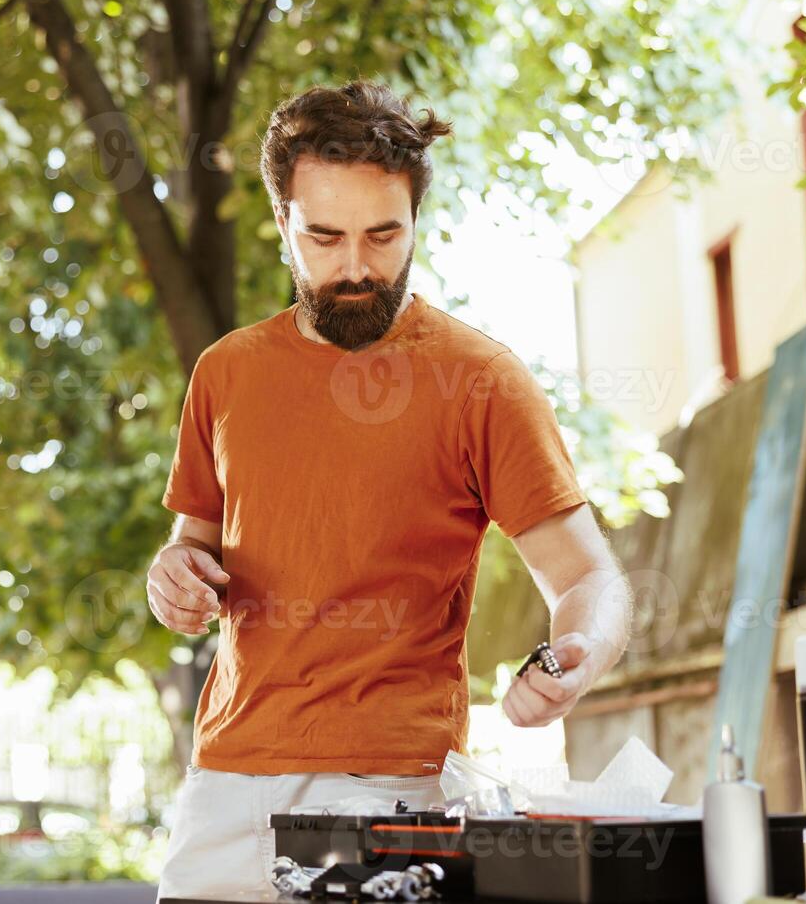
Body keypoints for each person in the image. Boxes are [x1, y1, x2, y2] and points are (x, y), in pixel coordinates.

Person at [147, 79, 634, 902]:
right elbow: (192, 551)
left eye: (383, 235)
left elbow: (591, 577)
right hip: (226, 784)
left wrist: (579, 657)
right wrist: (173, 576)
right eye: (325, 237)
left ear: (416, 221)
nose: (355, 267)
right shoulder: (224, 374)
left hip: (389, 792)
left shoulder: (481, 380)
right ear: (282, 226)